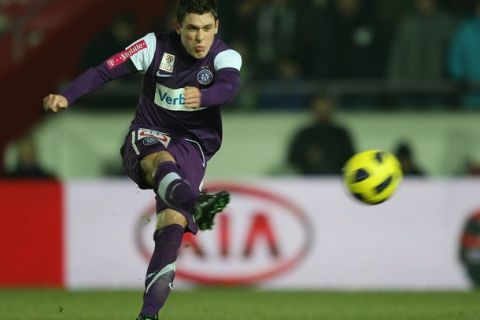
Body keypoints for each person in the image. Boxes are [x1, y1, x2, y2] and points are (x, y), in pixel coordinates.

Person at [42, 1, 242, 319]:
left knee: (171, 224)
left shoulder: (225, 55)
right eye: (192, 29)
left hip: (194, 146)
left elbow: (229, 87)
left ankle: (148, 315)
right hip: (150, 132)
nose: (199, 38)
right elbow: (104, 70)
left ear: (216, 26)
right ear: (178, 27)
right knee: (159, 158)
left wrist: (204, 96)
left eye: (206, 29)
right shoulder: (153, 46)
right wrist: (68, 94)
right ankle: (196, 202)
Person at [287, 94, 355, 175]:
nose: (322, 111)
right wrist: (306, 156)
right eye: (319, 108)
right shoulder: (304, 133)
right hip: (307, 180)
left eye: (325, 107)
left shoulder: (341, 133)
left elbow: (351, 157)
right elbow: (292, 158)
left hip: (336, 179)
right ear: (313, 110)